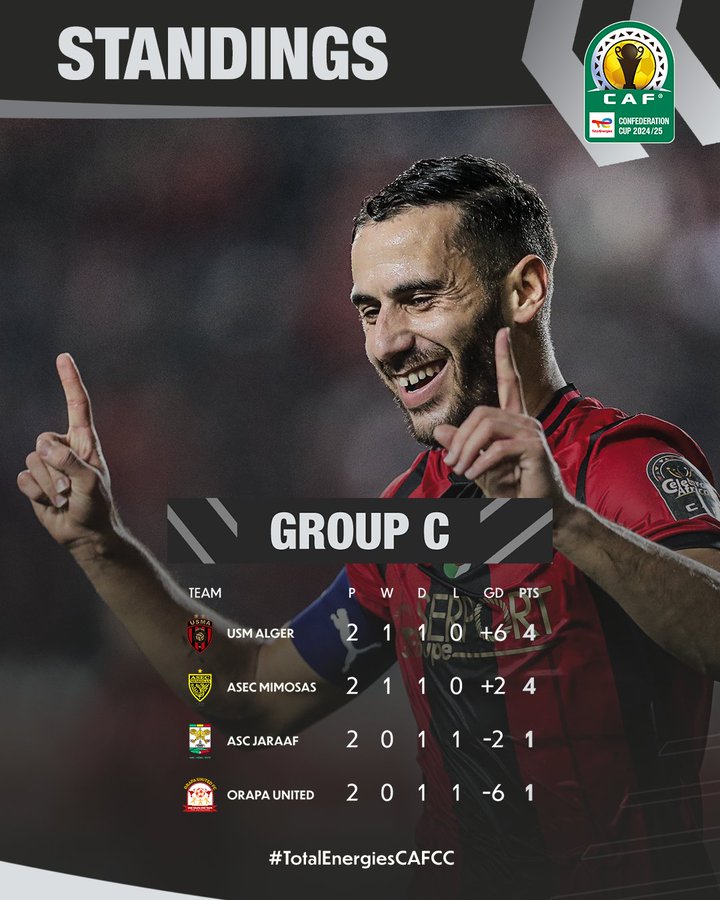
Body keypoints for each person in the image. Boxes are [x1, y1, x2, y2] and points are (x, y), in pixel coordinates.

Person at [17, 155, 720, 898]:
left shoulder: (623, 464)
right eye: (370, 310)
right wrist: (103, 547)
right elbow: (251, 693)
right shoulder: (408, 515)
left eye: (418, 299)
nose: (386, 343)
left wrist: (567, 526)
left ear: (523, 290)